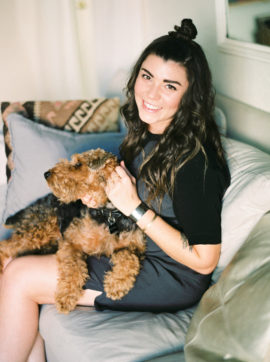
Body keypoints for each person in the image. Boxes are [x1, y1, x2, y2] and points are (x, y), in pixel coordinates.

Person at [0, 18, 230, 361]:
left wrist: (135, 207)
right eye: (147, 77)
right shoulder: (146, 135)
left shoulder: (196, 161)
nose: (151, 94)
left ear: (188, 95)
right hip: (127, 247)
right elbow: (118, 200)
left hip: (167, 274)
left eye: (169, 86)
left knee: (20, 277)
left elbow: (203, 260)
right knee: (14, 263)